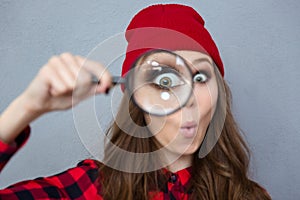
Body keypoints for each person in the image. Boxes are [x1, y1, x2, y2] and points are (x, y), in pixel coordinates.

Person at [0, 4, 271, 200]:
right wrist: (25, 109)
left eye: (200, 76)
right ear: (135, 96)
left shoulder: (248, 196)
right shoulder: (90, 189)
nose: (189, 101)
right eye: (164, 81)